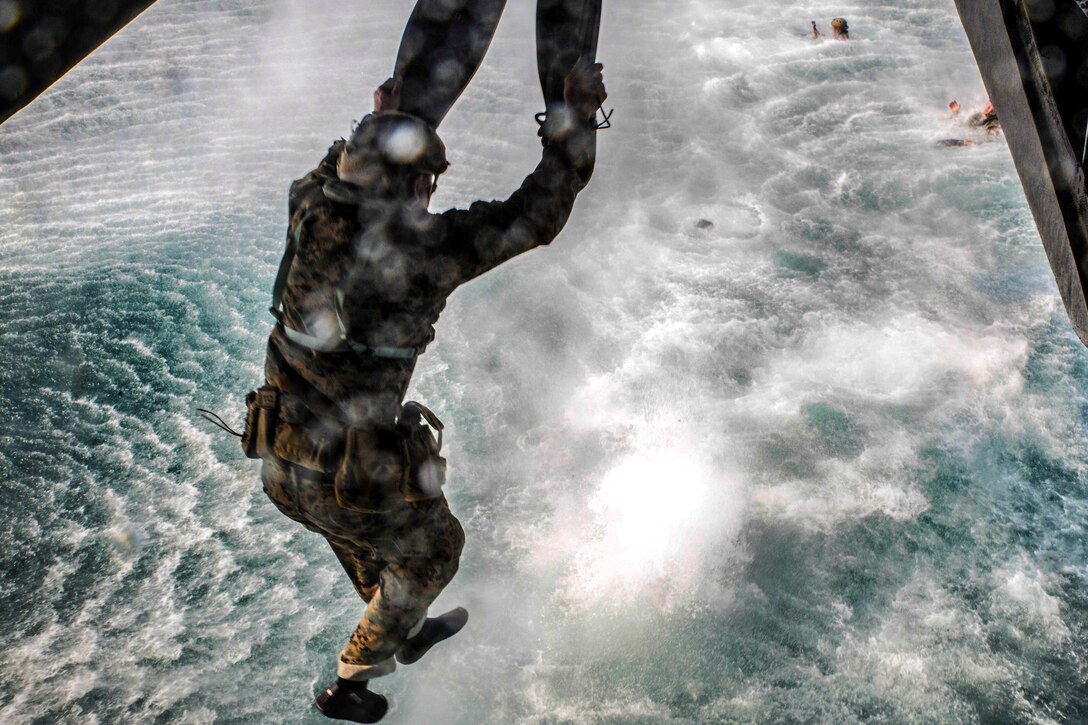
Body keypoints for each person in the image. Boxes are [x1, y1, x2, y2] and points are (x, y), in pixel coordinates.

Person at [248, 50, 606, 724]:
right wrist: (577, 120)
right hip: (343, 480)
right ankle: (351, 678)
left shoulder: (310, 209)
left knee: (382, 545)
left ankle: (402, 628)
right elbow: (542, 211)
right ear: (414, 188)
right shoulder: (425, 255)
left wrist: (380, 121)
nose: (430, 197)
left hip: (279, 467)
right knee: (437, 547)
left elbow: (332, 173)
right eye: (427, 185)